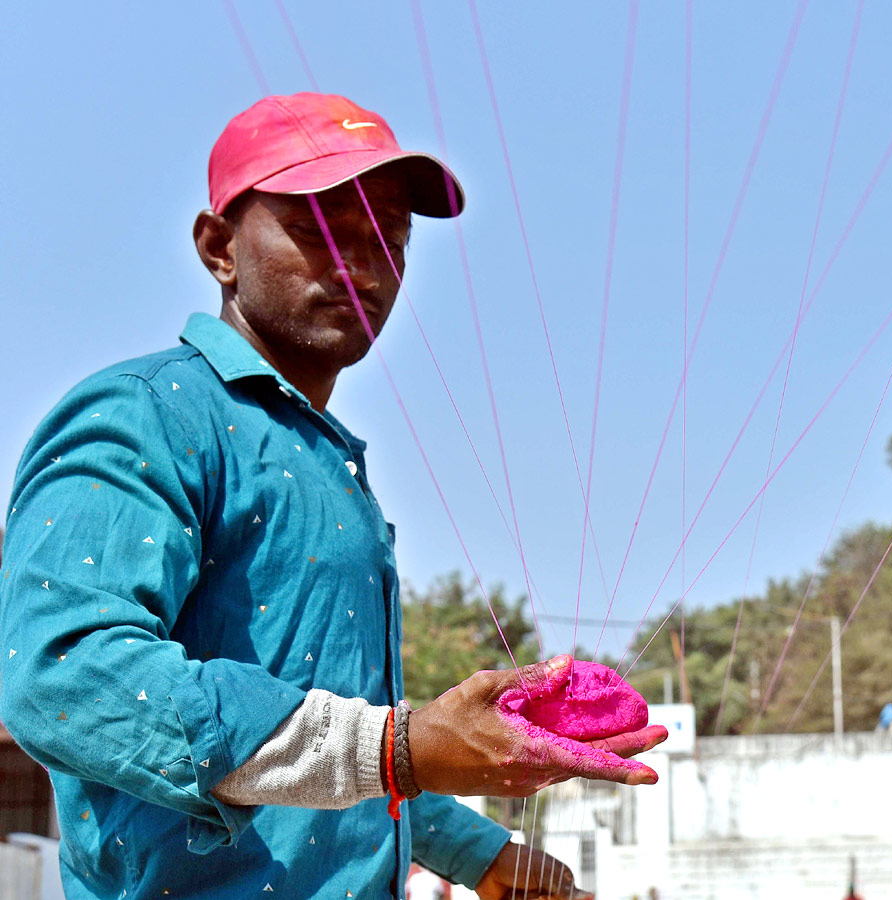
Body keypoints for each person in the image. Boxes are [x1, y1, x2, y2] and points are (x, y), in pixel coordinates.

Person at [0, 92, 666, 899]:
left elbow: (340, 747)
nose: (362, 263)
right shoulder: (148, 414)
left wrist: (480, 852)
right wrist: (399, 747)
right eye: (318, 228)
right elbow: (62, 671)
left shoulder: (327, 461)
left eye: (390, 236)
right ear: (219, 247)